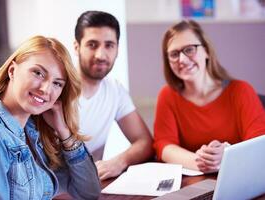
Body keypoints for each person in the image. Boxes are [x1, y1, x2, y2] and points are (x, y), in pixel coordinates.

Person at [0, 36, 100, 200]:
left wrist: (64, 132)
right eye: (38, 73)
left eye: (57, 83)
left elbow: (89, 192)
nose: (46, 89)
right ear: (12, 71)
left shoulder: (33, 131)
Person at [154, 20, 265, 173]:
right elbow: (163, 144)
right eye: (174, 54)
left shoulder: (241, 90)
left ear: (206, 50)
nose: (182, 60)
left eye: (189, 49)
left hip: (239, 176)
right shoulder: (167, 95)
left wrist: (226, 154)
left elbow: (259, 143)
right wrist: (201, 161)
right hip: (194, 184)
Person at [74, 11, 154, 180]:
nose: (101, 55)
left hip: (91, 186)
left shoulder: (114, 90)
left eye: (109, 45)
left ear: (117, 49)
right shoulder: (55, 88)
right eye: (92, 45)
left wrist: (119, 162)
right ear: (76, 47)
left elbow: (145, 142)